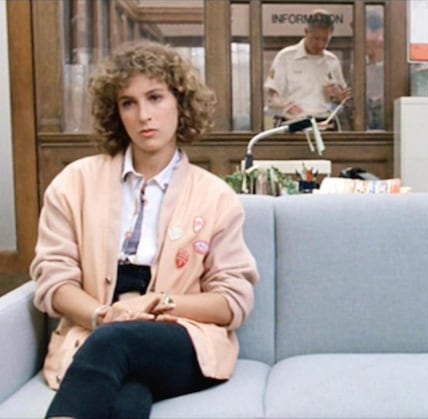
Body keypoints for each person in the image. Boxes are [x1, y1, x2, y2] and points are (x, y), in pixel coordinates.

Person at [30, 40, 259, 418]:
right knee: (127, 399)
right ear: (115, 112)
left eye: (155, 97)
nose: (143, 116)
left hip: (182, 339)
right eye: (128, 103)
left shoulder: (216, 197)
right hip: (98, 332)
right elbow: (54, 282)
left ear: (180, 104)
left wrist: (157, 304)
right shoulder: (74, 183)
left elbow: (232, 302)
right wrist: (104, 315)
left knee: (116, 342)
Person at [264, 8, 350, 129]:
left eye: (325, 40)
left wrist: (338, 98)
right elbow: (272, 98)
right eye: (316, 38)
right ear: (306, 32)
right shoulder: (286, 57)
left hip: (326, 124)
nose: (320, 44)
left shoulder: (332, 61)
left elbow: (341, 103)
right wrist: (286, 106)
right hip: (294, 124)